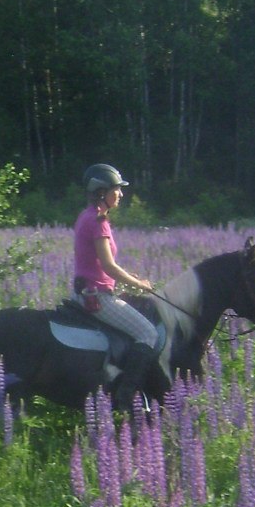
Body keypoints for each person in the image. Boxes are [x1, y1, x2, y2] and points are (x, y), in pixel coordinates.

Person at [73, 163, 160, 411]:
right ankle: (126, 397)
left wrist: (125, 278)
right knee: (148, 333)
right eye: (116, 189)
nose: (120, 194)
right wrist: (140, 284)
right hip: (98, 297)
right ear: (102, 192)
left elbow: (99, 264)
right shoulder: (99, 221)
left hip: (87, 290)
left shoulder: (87, 215)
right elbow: (110, 267)